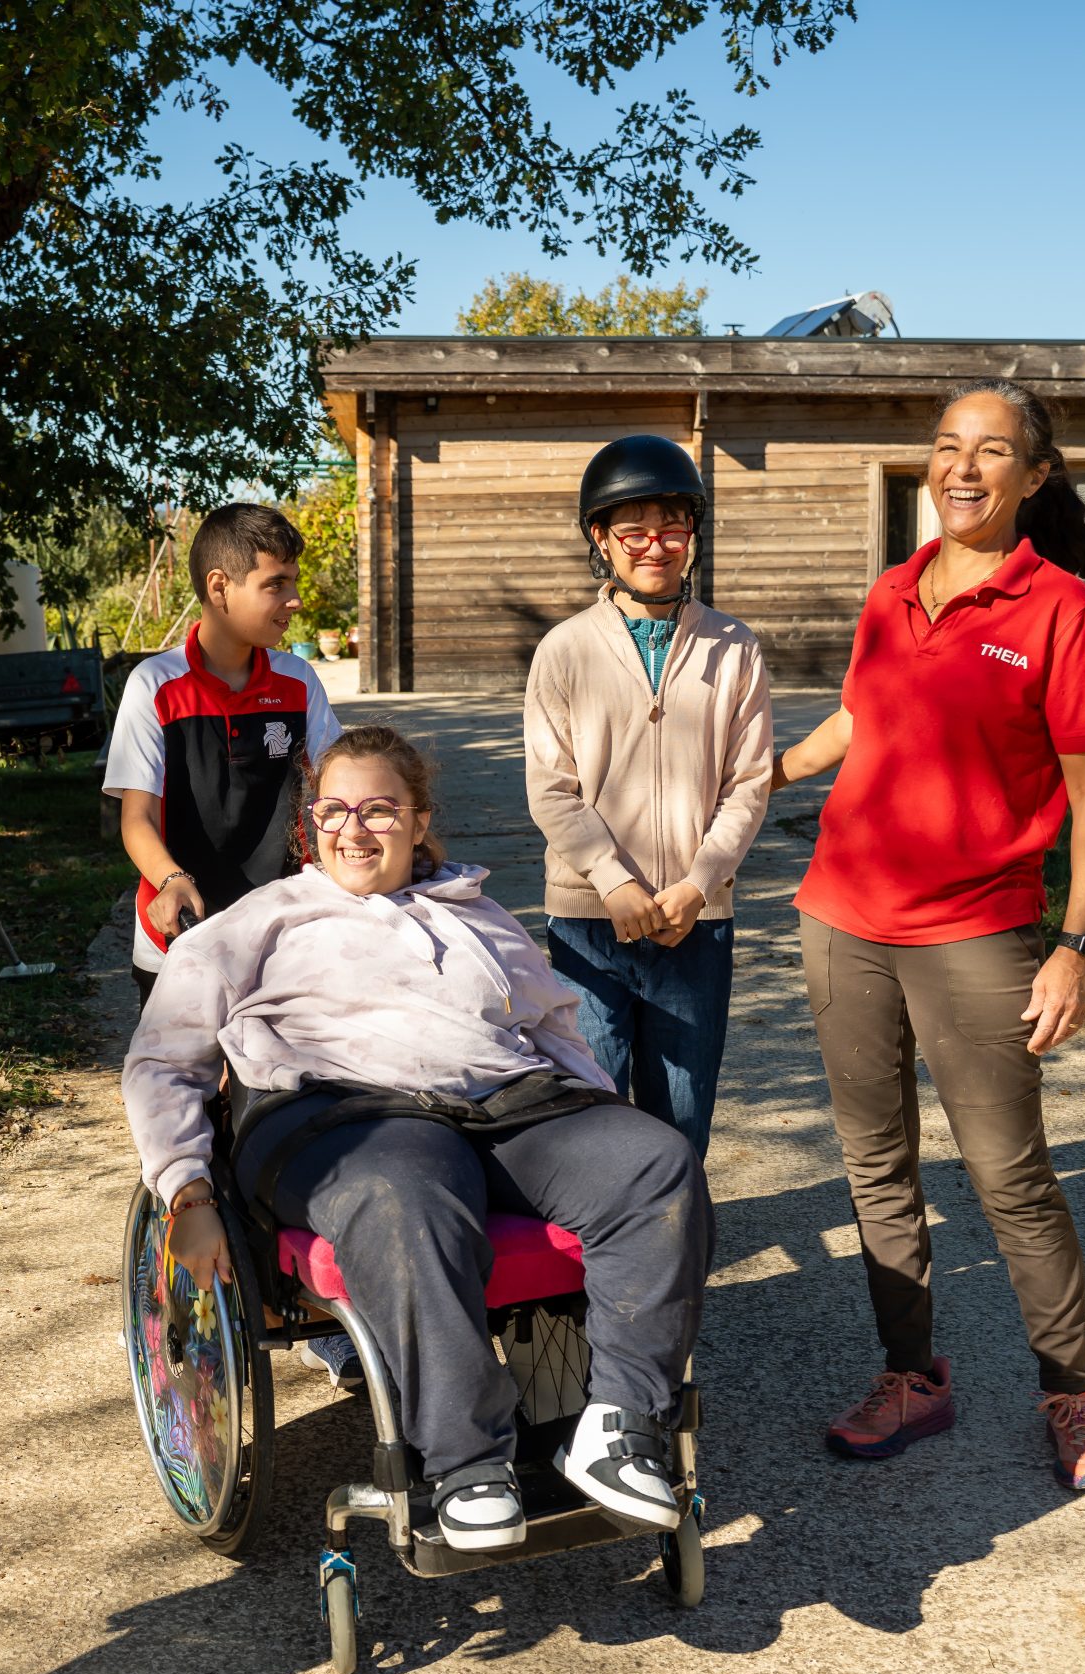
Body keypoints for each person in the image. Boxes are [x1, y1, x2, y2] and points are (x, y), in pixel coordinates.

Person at [125, 725, 712, 1550]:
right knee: (405, 1192)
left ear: (419, 818)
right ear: (310, 823)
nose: (353, 828)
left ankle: (619, 1430)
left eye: (378, 809)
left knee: (657, 1163)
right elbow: (162, 1058)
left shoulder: (479, 914)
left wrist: (599, 1119)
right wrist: (185, 1186)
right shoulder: (260, 920)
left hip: (507, 1103)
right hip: (344, 1113)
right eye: (333, 809)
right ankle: (467, 1458)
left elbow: (556, 1033)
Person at [771, 381, 1085, 1493]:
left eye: (991, 451)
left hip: (977, 931)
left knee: (1007, 1176)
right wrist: (753, 778)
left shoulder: (1057, 608)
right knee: (876, 1167)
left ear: (1032, 475)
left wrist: (1073, 944)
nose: (961, 468)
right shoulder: (891, 591)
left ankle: (1071, 1394)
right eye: (945, 447)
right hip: (843, 922)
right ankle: (911, 1379)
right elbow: (858, 718)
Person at [104, 501, 353, 1387]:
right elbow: (136, 817)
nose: (292, 600)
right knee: (199, 1128)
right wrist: (170, 879)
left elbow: (331, 797)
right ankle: (196, 1303)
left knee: (298, 1111)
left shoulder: (298, 685)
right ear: (219, 587)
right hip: (183, 945)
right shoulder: (155, 688)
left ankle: (314, 1306)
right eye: (275, 583)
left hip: (281, 943)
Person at [526, 434, 772, 1156]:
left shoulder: (734, 647)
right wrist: (611, 880)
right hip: (588, 919)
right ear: (600, 540)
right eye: (632, 530)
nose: (654, 546)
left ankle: (672, 1258)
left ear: (693, 531)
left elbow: (749, 781)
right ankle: (595, 1262)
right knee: (591, 1105)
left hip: (696, 921)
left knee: (681, 1118)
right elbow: (551, 785)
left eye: (671, 526)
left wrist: (701, 882)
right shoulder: (565, 650)